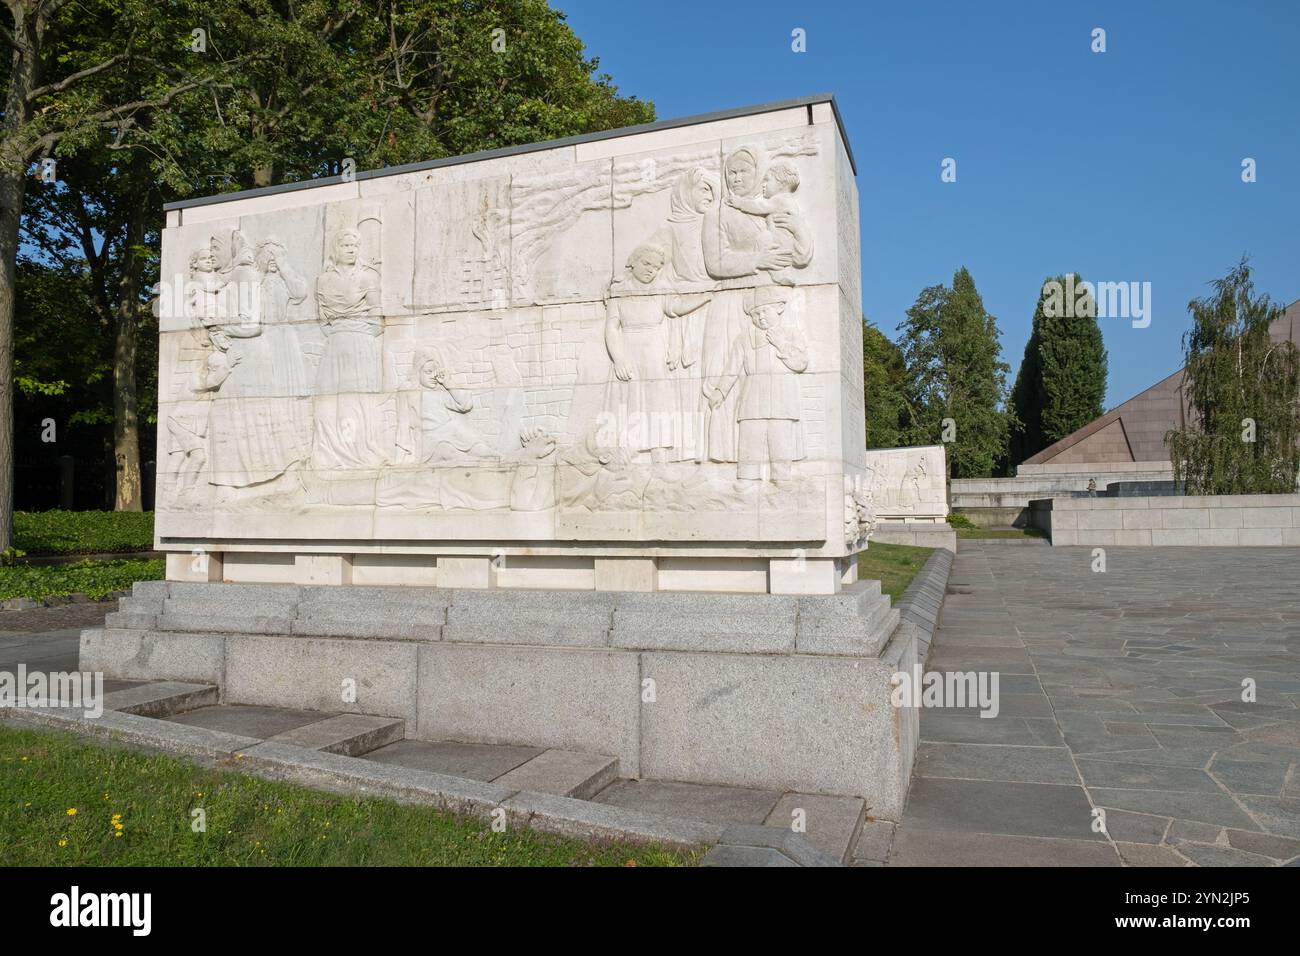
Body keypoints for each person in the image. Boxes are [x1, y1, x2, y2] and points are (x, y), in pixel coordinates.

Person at [705, 286, 807, 481]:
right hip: (753, 396)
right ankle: (746, 481)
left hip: (782, 396)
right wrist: (720, 391)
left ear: (778, 308)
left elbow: (801, 363)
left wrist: (781, 344)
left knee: (780, 443)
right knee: (750, 442)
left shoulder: (792, 334)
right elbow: (731, 369)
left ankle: (781, 480)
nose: (760, 317)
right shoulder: (744, 339)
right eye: (755, 314)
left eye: (764, 311)